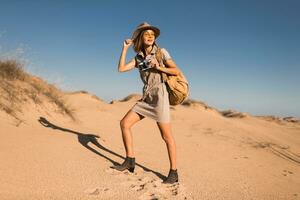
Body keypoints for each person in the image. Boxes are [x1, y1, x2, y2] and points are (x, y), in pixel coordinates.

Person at [113, 22, 181, 184]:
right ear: (140, 38)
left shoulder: (161, 52)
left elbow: (176, 71)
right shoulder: (138, 58)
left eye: (152, 34)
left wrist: (159, 68)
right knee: (125, 124)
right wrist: (124, 49)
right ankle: (130, 160)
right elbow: (121, 69)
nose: (150, 36)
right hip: (146, 97)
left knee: (166, 136)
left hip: (160, 97)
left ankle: (174, 172)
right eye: (146, 34)